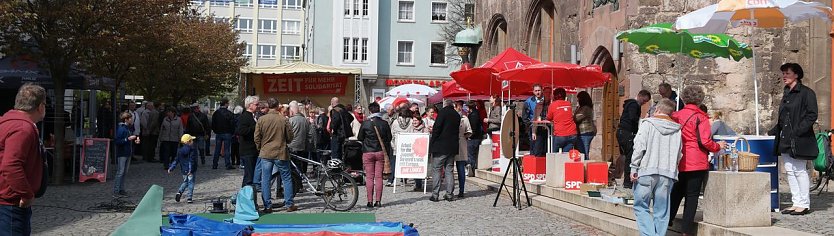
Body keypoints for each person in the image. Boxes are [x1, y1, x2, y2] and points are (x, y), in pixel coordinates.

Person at [670, 86, 727, 234]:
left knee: (676, 192)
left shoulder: (676, 115)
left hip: (679, 158)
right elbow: (705, 141)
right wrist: (718, 146)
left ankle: (666, 220)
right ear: (700, 99)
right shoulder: (701, 117)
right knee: (692, 196)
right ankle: (686, 230)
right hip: (696, 160)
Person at [768, 63, 818, 216]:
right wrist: (774, 131)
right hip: (785, 138)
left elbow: (812, 115)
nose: (784, 76)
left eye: (787, 73)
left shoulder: (807, 93)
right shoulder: (786, 93)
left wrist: (797, 131)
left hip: (799, 138)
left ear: (796, 75)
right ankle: (796, 202)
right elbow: (783, 118)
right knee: (790, 170)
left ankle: (804, 204)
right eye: (783, 73)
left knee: (799, 170)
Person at [629, 99, 682, 236]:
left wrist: (634, 167)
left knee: (641, 206)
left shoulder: (648, 124)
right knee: (662, 210)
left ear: (657, 109)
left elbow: (639, 147)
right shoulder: (677, 129)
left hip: (647, 169)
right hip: (667, 172)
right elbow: (679, 153)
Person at [0, 83, 47, 236]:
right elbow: (11, 165)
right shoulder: (22, 128)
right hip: (10, 205)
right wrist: (26, 194)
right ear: (40, 106)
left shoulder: (7, 122)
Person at [254, 98, 296, 213]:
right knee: (286, 178)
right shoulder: (283, 120)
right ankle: (289, 204)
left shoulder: (261, 119)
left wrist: (260, 148)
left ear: (268, 106)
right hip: (280, 152)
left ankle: (268, 205)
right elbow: (290, 137)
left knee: (265, 179)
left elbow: (256, 137)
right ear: (278, 106)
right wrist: (284, 141)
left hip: (266, 152)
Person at [357, 102, 392, 208]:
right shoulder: (384, 123)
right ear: (379, 110)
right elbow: (389, 138)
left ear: (370, 110)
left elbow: (360, 137)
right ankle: (378, 201)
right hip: (380, 152)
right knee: (378, 177)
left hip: (368, 152)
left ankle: (369, 201)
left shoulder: (365, 123)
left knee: (369, 177)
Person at [617, 90, 652, 189]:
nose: (643, 103)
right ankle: (628, 183)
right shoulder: (634, 105)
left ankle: (626, 180)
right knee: (630, 157)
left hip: (622, 132)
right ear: (640, 96)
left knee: (626, 156)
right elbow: (633, 118)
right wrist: (643, 120)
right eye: (644, 101)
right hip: (627, 133)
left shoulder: (630, 104)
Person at [429, 100, 460, 202]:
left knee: (437, 169)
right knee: (449, 170)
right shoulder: (457, 115)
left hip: (440, 146)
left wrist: (432, 142)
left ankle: (435, 194)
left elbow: (437, 128)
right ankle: (449, 194)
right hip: (452, 147)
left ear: (444, 105)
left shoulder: (442, 113)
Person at [113, 112, 140, 196]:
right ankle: (116, 190)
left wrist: (134, 140)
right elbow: (117, 141)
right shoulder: (121, 128)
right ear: (126, 119)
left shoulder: (127, 128)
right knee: (120, 172)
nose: (131, 120)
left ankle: (121, 189)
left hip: (127, 152)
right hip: (122, 153)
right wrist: (127, 139)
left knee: (124, 172)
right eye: (130, 118)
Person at [168, 134, 199, 204]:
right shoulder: (192, 150)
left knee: (185, 182)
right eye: (191, 140)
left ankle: (179, 192)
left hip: (184, 170)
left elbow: (176, 160)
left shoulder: (180, 151)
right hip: (191, 170)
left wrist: (171, 168)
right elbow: (191, 161)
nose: (193, 142)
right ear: (187, 142)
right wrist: (190, 170)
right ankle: (189, 197)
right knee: (191, 183)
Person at [287, 101, 310, 193]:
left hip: (292, 146)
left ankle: (295, 186)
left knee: (293, 168)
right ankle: (299, 185)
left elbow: (287, 134)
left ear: (292, 110)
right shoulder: (305, 120)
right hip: (302, 146)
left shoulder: (291, 120)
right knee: (300, 167)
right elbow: (309, 133)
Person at [387, 108, 413, 187]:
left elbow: (392, 133)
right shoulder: (411, 121)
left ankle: (391, 179)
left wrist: (393, 144)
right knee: (405, 162)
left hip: (397, 143)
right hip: (407, 144)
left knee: (394, 162)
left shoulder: (395, 122)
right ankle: (404, 179)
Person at [238, 96, 260, 188]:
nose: (258, 106)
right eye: (256, 104)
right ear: (250, 105)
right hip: (247, 150)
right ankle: (245, 197)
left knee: (251, 175)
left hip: (253, 149)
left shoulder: (254, 116)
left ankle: (248, 195)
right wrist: (255, 127)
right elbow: (241, 131)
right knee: (249, 176)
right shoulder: (245, 116)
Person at [546, 88, 577, 153]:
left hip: (560, 133)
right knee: (566, 155)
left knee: (555, 155)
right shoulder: (568, 104)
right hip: (572, 133)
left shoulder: (552, 105)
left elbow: (549, 117)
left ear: (554, 95)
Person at [454, 101, 473, 198]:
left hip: (461, 144)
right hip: (451, 143)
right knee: (449, 169)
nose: (460, 108)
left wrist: (464, 136)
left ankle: (461, 190)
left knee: (460, 167)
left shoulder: (464, 118)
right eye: (459, 106)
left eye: (461, 106)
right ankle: (450, 190)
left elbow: (469, 131)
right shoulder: (452, 117)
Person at [524, 84, 549, 156]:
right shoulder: (528, 101)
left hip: (545, 127)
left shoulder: (546, 101)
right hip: (533, 127)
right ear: (533, 91)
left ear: (542, 91)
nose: (538, 92)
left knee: (545, 148)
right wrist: (530, 126)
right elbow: (525, 116)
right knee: (534, 148)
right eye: (536, 91)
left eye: (539, 90)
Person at [212, 98, 236, 170]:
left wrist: (215, 131)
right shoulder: (229, 113)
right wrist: (232, 132)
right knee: (227, 149)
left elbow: (213, 124)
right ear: (226, 104)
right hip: (227, 133)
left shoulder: (216, 113)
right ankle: (227, 164)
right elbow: (232, 124)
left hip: (219, 133)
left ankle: (215, 164)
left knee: (217, 149)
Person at [574, 91, 597, 160]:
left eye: (578, 99)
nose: (577, 101)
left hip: (585, 132)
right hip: (585, 132)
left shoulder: (585, 108)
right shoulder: (585, 108)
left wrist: (574, 114)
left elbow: (577, 118)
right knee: (582, 151)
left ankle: (586, 168)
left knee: (583, 152)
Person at [466, 101, 483, 177]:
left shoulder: (473, 115)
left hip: (474, 138)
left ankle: (472, 170)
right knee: (473, 154)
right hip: (477, 137)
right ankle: (472, 168)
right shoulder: (476, 113)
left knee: (471, 154)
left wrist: (470, 136)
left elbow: (473, 128)